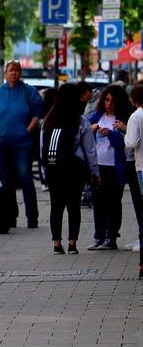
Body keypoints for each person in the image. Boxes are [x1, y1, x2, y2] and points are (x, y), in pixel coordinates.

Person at [41, 84, 99, 255]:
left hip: (53, 169)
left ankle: (56, 244)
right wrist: (95, 172)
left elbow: (42, 147)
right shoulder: (81, 121)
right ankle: (72, 243)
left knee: (56, 206)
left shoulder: (48, 120)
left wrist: (45, 172)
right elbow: (90, 150)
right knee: (73, 206)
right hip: (75, 169)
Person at [0, 61, 43, 229]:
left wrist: (28, 130)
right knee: (7, 180)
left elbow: (37, 114)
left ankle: (32, 218)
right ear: (6, 73)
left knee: (25, 177)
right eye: (11, 70)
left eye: (16, 70)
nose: (13, 73)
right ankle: (10, 217)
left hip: (23, 142)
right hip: (3, 142)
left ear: (20, 73)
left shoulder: (29, 91)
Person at [87, 85, 132, 251]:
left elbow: (125, 144)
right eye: (107, 100)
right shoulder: (97, 116)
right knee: (98, 202)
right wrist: (90, 130)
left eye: (113, 101)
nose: (109, 104)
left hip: (115, 167)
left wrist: (112, 134)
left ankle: (111, 237)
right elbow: (83, 135)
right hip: (98, 165)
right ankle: (99, 235)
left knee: (113, 203)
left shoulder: (123, 119)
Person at [123, 85, 143, 278]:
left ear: (132, 99)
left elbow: (132, 143)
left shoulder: (135, 117)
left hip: (141, 167)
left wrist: (123, 138)